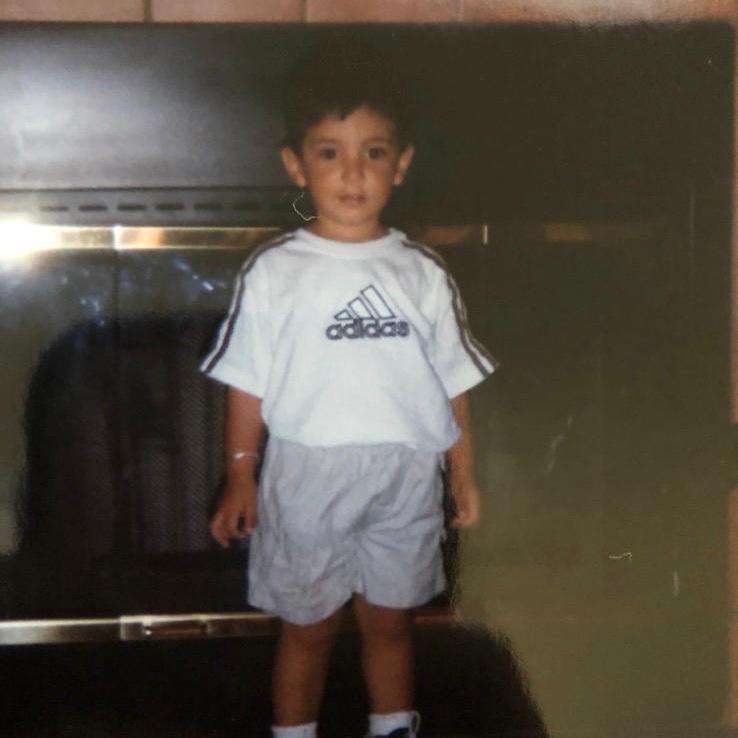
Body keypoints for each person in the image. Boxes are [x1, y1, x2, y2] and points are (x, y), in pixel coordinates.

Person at [201, 43, 497, 738]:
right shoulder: (276, 272)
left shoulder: (422, 273)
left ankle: (392, 725)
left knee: (390, 623)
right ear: (296, 165)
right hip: (309, 474)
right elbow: (246, 382)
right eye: (330, 153)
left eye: (374, 152)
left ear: (402, 165)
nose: (353, 173)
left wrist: (462, 471)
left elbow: (453, 381)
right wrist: (240, 473)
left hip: (403, 473)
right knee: (307, 627)